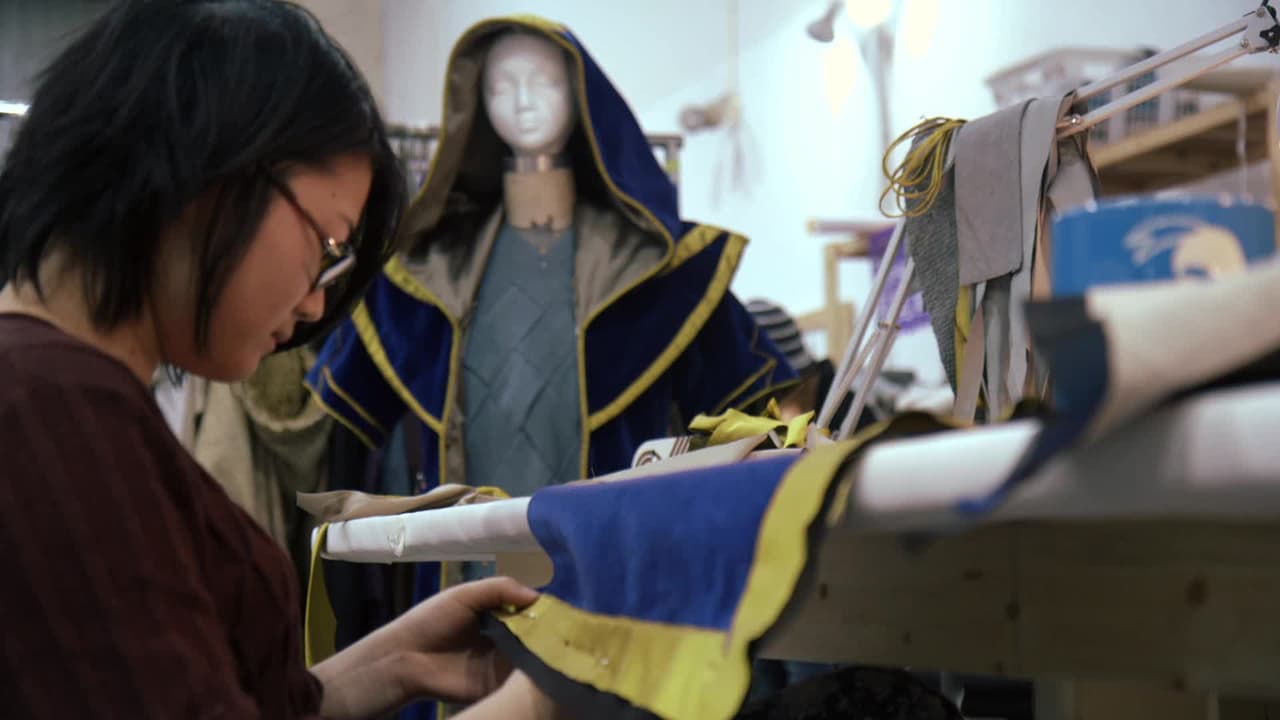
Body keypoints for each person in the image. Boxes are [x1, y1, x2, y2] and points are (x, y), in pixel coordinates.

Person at [0, 1, 558, 718]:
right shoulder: (51, 413)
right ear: (212, 172)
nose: (318, 305)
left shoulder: (64, 397)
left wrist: (395, 662)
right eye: (328, 247)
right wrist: (541, 701)